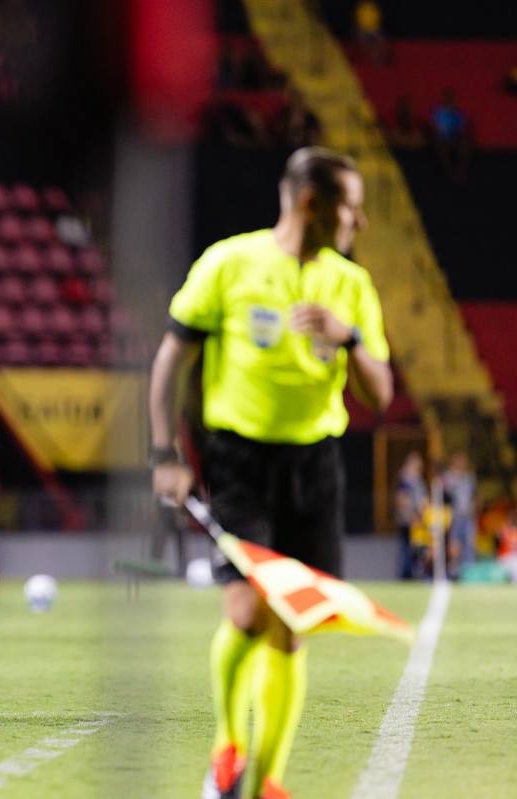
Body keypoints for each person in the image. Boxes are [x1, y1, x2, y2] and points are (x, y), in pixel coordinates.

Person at [149, 147, 393, 799]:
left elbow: (382, 391)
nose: (359, 222)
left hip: (315, 466)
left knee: (291, 625)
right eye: (351, 206)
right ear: (312, 203)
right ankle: (227, 749)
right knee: (247, 608)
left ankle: (268, 781)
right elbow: (171, 358)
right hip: (239, 462)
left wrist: (350, 338)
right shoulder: (231, 263)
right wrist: (163, 454)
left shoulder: (352, 285)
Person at [441, 450, 477, 577]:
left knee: (468, 546)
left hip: (467, 517)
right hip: (454, 517)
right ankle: (453, 573)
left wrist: (474, 509)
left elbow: (474, 496)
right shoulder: (447, 477)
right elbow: (443, 495)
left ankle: (468, 574)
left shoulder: (468, 478)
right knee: (454, 546)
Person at [395, 450, 429, 579]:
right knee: (408, 549)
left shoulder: (416, 478)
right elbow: (402, 499)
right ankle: (407, 575)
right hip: (409, 520)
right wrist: (410, 516)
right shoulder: (406, 478)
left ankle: (414, 573)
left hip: (418, 519)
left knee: (416, 548)